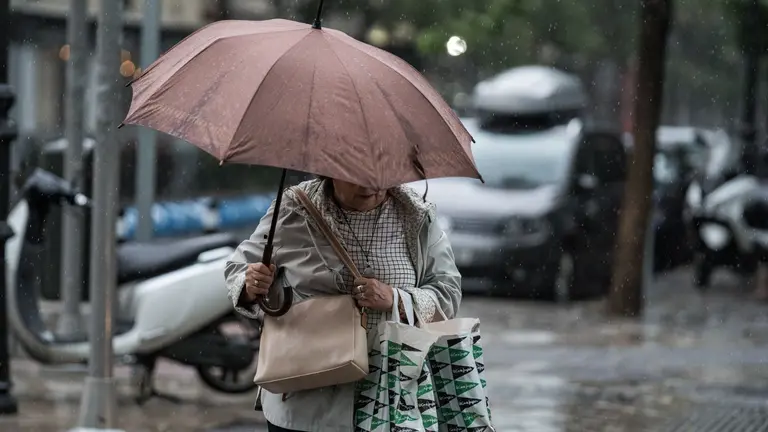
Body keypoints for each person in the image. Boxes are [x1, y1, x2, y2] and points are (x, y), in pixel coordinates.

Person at [225, 176, 461, 432]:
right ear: (331, 170)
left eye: (380, 175)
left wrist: (395, 299)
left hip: (392, 395)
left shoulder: (416, 215)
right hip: (305, 395)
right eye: (356, 176)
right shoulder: (293, 208)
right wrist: (252, 284)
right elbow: (238, 269)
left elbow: (447, 294)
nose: (370, 186)